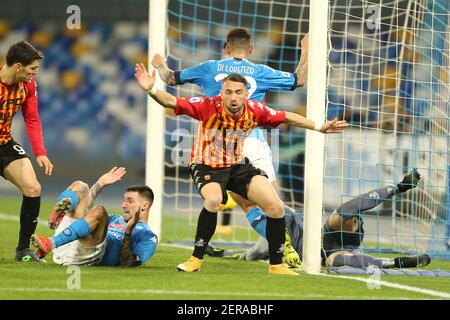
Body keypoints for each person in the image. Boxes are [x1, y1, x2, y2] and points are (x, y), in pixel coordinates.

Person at [135, 65, 347, 275]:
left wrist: (319, 126)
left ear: (247, 94)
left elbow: (286, 116)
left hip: (237, 166)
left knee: (276, 206)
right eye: (228, 92)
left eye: (238, 92)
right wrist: (151, 89)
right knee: (214, 200)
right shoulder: (207, 106)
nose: (233, 97)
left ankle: (276, 265)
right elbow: (171, 101)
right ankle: (195, 259)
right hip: (205, 164)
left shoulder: (255, 110)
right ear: (221, 93)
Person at [152, 27, 308, 260]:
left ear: (226, 48)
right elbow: (300, 80)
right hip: (252, 139)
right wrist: (305, 50)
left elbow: (170, 79)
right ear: (251, 49)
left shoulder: (209, 67)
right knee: (274, 204)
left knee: (247, 206)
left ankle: (284, 247)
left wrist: (160, 65)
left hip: (217, 147)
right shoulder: (260, 71)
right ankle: (296, 247)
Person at [208, 168, 431, 270]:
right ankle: (393, 263)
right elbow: (252, 253)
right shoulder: (269, 230)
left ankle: (399, 188)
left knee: (344, 213)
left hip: (324, 238)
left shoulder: (279, 212)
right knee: (336, 261)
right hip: (321, 245)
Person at [29, 167, 158, 267]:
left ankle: (50, 242)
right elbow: (86, 211)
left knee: (99, 211)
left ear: (144, 206)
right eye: (124, 200)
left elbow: (128, 263)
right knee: (80, 186)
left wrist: (128, 231)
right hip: (65, 246)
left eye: (130, 201)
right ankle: (58, 220)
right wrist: (100, 183)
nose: (123, 205)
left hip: (87, 255)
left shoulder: (148, 236)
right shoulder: (115, 219)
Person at [0, 40, 54, 262]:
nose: (35, 73)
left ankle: (24, 250)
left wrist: (40, 152)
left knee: (33, 188)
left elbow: (32, 119)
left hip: (4, 143)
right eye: (33, 68)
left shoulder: (28, 85)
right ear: (19, 67)